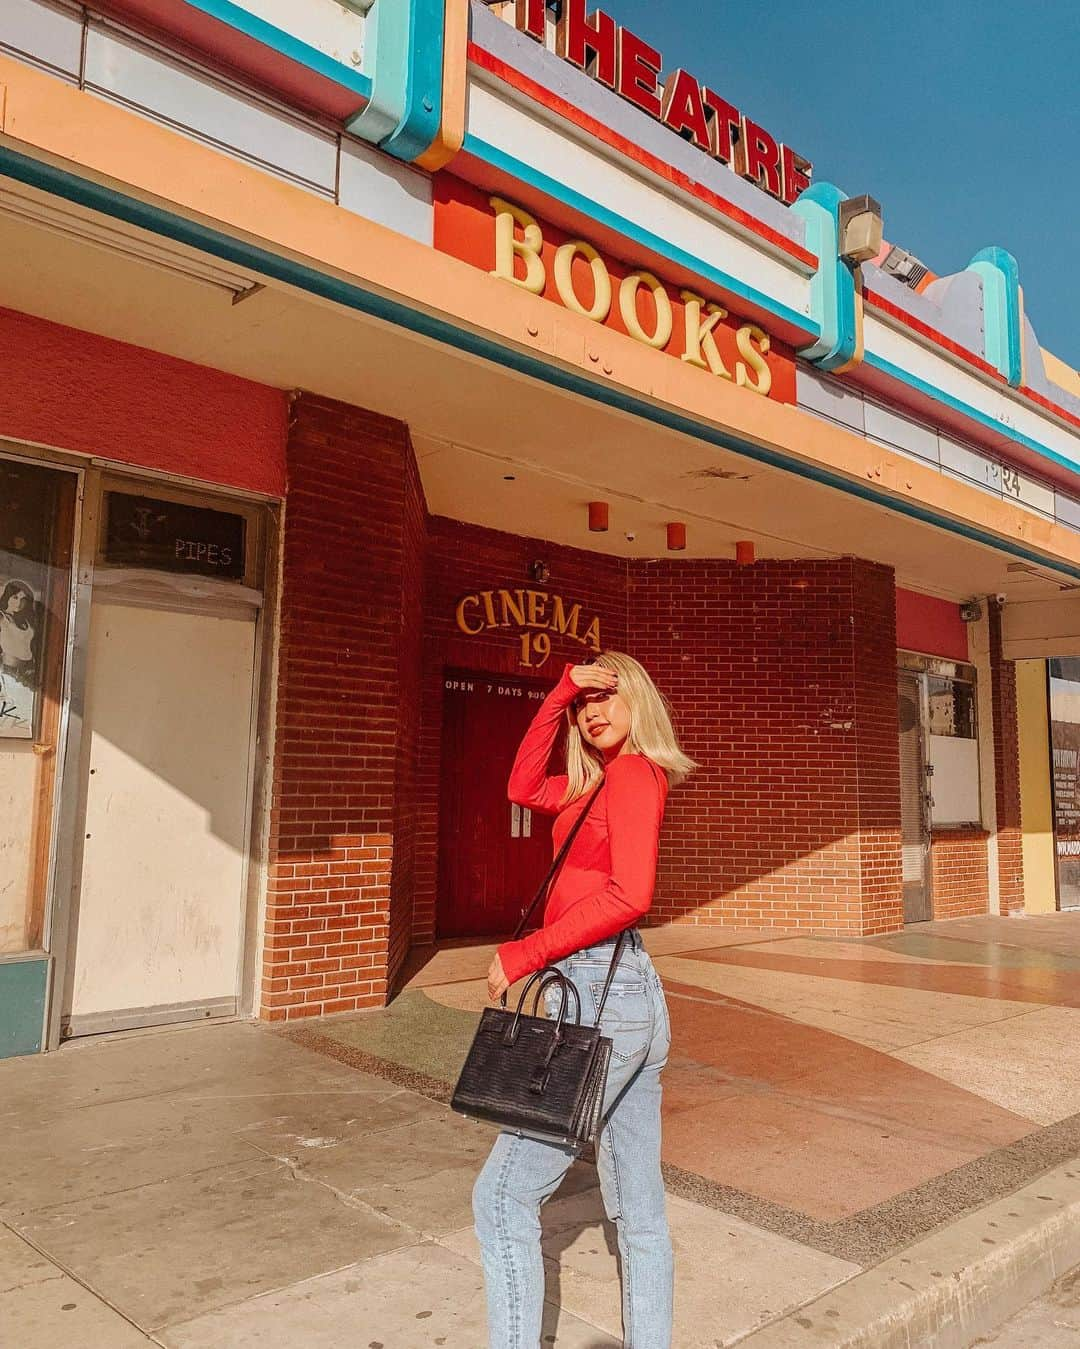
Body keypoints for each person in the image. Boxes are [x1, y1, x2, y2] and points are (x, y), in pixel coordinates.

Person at [473, 650, 695, 1349]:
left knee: (504, 1194)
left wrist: (525, 950)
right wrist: (560, 689)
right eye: (584, 705)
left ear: (640, 703)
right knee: (639, 1208)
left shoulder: (632, 774)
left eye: (608, 697)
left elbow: (632, 893)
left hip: (606, 993)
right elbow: (519, 782)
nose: (594, 712)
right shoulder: (593, 783)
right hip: (629, 998)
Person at [0, 580, 36, 676]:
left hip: (29, 670)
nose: (19, 603)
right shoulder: (1, 616)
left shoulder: (25, 620)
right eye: (15, 597)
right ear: (7, 596)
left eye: (23, 599)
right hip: (10, 670)